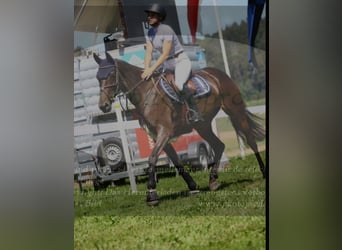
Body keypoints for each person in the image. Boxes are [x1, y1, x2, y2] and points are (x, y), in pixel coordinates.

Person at [141, 3, 202, 122]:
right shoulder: (150, 33)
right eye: (148, 15)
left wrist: (151, 69)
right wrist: (146, 68)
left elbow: (165, 54)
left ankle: (196, 112)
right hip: (167, 64)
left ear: (159, 17)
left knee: (179, 84)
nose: (149, 17)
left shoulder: (166, 29)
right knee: (156, 85)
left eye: (152, 15)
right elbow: (148, 53)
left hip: (180, 60)